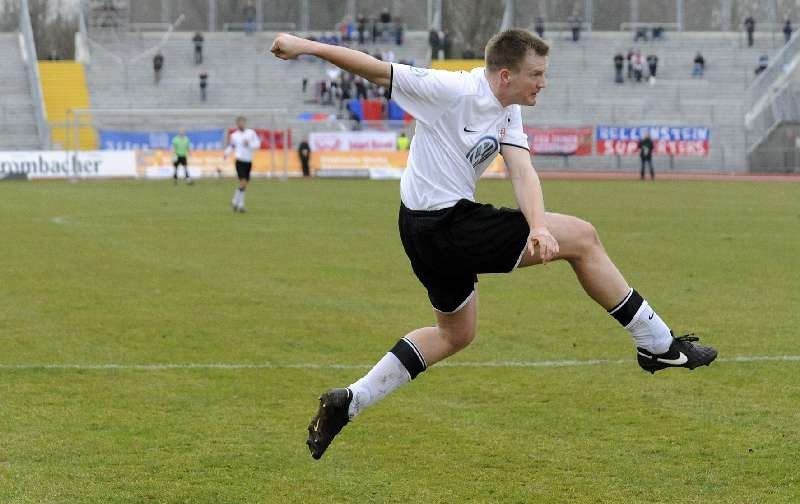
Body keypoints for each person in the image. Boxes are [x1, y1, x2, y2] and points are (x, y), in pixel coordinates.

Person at [269, 29, 717, 461]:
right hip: (443, 224)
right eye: (536, 74)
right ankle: (657, 344)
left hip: (424, 227)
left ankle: (350, 401)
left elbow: (521, 170)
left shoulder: (508, 109)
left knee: (455, 334)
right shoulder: (452, 89)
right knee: (582, 237)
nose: (544, 82)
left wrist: (539, 226)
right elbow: (376, 70)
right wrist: (302, 46)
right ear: (506, 75)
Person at [224, 116, 261, 213]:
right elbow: (232, 146)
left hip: (248, 161)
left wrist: (249, 144)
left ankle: (237, 203)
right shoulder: (234, 135)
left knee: (244, 185)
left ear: (245, 123)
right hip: (239, 161)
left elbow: (257, 144)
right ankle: (238, 203)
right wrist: (226, 154)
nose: (241, 124)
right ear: (237, 124)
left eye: (243, 122)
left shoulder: (251, 133)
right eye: (239, 123)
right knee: (243, 182)